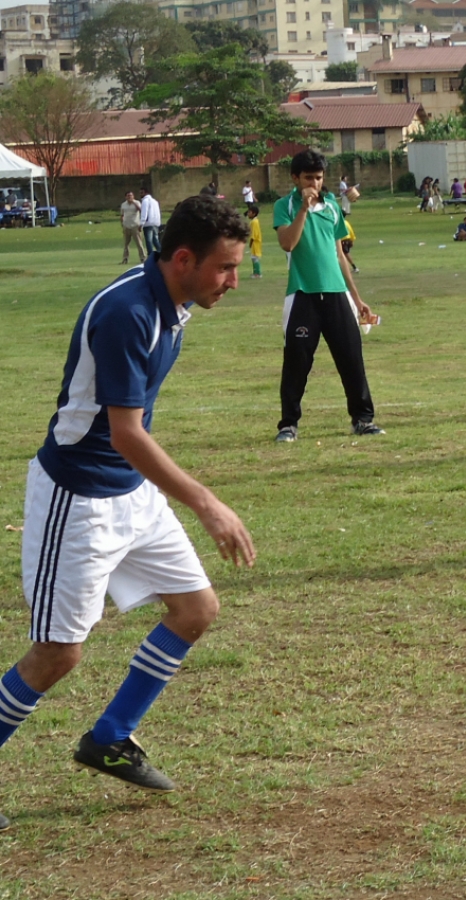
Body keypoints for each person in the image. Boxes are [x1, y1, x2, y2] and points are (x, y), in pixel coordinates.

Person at [0, 195, 256, 832]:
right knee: (57, 653)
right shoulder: (127, 311)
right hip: (80, 496)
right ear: (183, 259)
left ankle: (111, 735)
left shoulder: (174, 299)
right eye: (225, 268)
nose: (232, 281)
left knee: (196, 609)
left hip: (132, 494)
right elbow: (125, 433)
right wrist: (207, 503)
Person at [272, 150, 383, 442]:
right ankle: (288, 424)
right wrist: (303, 209)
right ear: (295, 178)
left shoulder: (333, 205)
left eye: (319, 178)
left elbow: (339, 254)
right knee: (297, 361)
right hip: (302, 293)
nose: (314, 184)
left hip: (336, 293)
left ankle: (362, 419)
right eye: (308, 178)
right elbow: (288, 243)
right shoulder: (285, 206)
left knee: (351, 358)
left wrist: (357, 298)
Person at [120, 191, 146, 265]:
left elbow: (141, 210)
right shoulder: (123, 205)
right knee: (126, 244)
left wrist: (133, 203)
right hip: (126, 225)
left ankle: (143, 258)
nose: (130, 197)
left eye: (131, 196)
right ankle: (125, 259)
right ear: (126, 197)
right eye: (128, 196)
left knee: (139, 243)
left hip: (135, 225)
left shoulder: (137, 203)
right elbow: (122, 215)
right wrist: (122, 223)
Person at [139, 187, 162, 258]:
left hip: (148, 224)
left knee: (149, 240)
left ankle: (150, 255)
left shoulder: (145, 201)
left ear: (146, 193)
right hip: (155, 223)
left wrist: (141, 224)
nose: (140, 194)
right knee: (155, 240)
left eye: (141, 193)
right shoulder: (155, 201)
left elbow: (144, 213)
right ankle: (161, 253)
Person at [246, 204, 263, 278]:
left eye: (249, 212)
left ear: (254, 213)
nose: (248, 214)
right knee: (253, 258)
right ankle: (255, 272)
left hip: (255, 243)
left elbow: (254, 234)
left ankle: (258, 273)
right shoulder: (254, 221)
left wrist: (250, 242)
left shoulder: (254, 222)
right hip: (255, 243)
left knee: (255, 258)